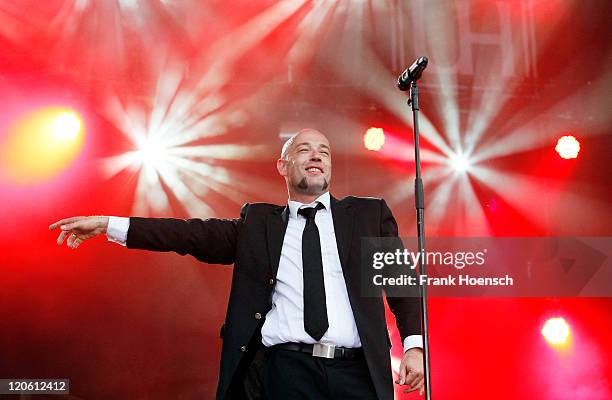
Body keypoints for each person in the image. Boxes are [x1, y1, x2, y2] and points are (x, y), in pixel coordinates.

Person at [50, 129, 425, 399]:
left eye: (324, 151)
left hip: (356, 373)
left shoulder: (366, 215)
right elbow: (188, 234)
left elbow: (401, 282)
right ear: (283, 165)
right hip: (286, 371)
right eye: (305, 149)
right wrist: (111, 225)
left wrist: (414, 345)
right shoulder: (259, 224)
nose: (316, 156)